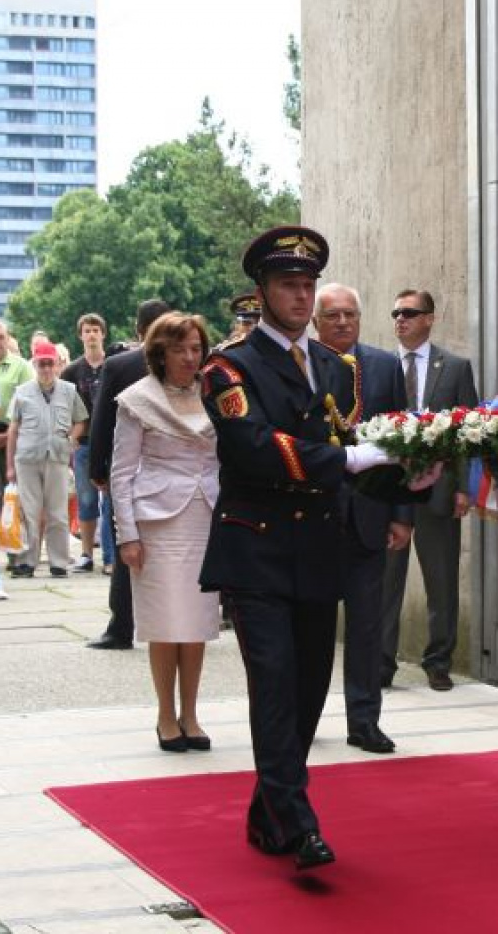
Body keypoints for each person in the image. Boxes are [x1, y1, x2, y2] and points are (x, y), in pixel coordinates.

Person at [199, 224, 401, 872]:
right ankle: (299, 820)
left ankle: (269, 814)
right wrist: (346, 461)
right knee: (276, 684)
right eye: (289, 284)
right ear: (261, 292)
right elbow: (254, 446)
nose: (301, 296)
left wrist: (406, 475)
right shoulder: (229, 366)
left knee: (311, 688)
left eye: (308, 285)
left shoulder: (334, 367)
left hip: (317, 547)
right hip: (255, 549)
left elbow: (355, 448)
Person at [110, 312, 220, 752]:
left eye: (196, 348)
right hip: (156, 522)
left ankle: (191, 714)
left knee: (196, 623)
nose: (190, 357)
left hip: (206, 518)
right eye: (179, 349)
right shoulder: (137, 399)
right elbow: (121, 473)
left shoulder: (217, 394)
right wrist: (127, 535)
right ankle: (165, 715)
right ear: (159, 353)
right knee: (164, 622)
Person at [313, 282, 412, 754]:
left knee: (367, 627)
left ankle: (365, 720)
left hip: (371, 514)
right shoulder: (302, 363)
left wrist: (402, 514)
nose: (342, 322)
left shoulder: (385, 366)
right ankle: (305, 716)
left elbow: (404, 443)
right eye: (332, 315)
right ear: (316, 322)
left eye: (349, 314)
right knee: (312, 627)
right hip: (314, 517)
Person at [381, 288, 478, 691]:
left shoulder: (455, 368)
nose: (400, 319)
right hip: (390, 491)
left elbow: (469, 433)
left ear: (429, 318)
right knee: (386, 580)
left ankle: (438, 662)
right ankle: (381, 663)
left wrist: (465, 488)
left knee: (441, 580)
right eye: (396, 313)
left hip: (439, 489)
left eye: (409, 312)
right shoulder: (381, 366)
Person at [86, 300, 172, 650]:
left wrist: (97, 467)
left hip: (130, 469)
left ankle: (121, 626)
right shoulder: (191, 359)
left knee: (126, 542)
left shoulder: (119, 365)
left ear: (138, 330)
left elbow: (102, 421)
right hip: (178, 470)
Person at [6, 341, 88, 578]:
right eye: (41, 364)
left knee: (58, 513)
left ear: (57, 365)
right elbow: (13, 429)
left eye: (50, 364)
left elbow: (81, 420)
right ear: (34, 364)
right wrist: (10, 465)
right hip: (27, 459)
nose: (46, 369)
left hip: (57, 457)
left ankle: (58, 563)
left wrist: (71, 439)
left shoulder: (69, 391)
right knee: (29, 512)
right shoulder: (22, 392)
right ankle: (26, 562)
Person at [61, 313, 115, 574]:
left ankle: (110, 557)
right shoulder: (72, 371)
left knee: (111, 500)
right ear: (80, 335)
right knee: (86, 499)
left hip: (112, 440)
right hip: (84, 442)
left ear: (103, 334)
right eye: (87, 330)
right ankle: (86, 554)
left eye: (95, 330)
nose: (91, 335)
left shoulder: (113, 366)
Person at [0, 319, 33, 575]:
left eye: (1, 337)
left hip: (11, 436)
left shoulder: (20, 367)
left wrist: (7, 436)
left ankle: (14, 552)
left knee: (13, 497)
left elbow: (29, 406)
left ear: (8, 339)